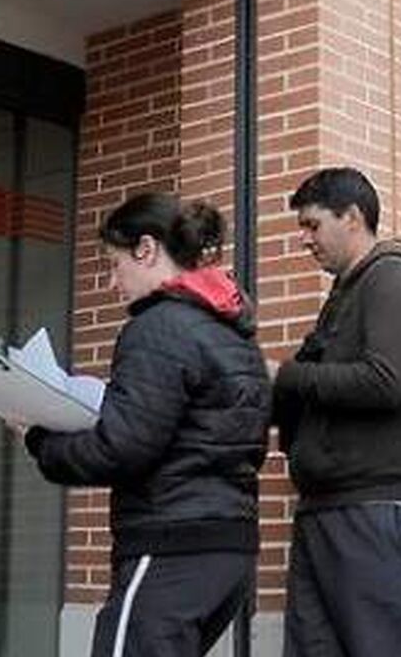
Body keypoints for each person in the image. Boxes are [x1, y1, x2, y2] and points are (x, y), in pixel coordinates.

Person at [24, 193, 269, 657]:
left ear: (147, 249)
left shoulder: (158, 328)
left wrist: (39, 439)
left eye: (115, 264)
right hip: (228, 548)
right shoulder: (232, 333)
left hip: (169, 546)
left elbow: (122, 448)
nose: (113, 282)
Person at [273, 167, 401, 656]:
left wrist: (283, 376)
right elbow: (307, 389)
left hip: (375, 513)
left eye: (312, 225)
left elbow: (386, 381)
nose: (305, 240)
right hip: (328, 508)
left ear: (351, 217)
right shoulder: (344, 292)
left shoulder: (394, 278)